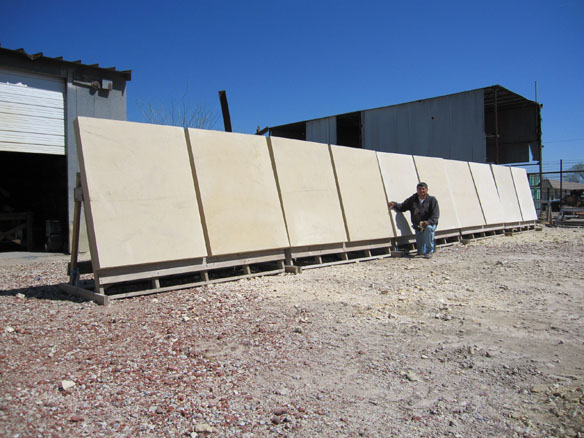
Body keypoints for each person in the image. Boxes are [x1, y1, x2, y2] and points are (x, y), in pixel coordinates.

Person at [388, 182, 439, 258]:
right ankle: (425, 249)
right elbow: (403, 207)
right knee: (421, 252)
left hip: (429, 225)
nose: (422, 191)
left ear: (427, 190)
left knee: (428, 230)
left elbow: (435, 215)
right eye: (419, 189)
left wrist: (428, 222)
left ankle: (430, 251)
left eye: (423, 189)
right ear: (417, 190)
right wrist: (394, 204)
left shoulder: (432, 200)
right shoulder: (413, 200)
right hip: (418, 227)